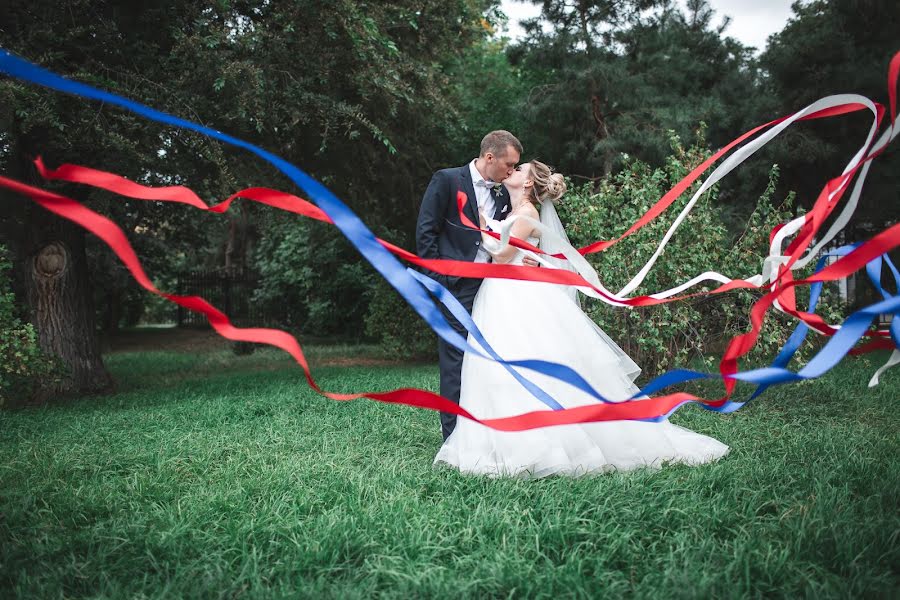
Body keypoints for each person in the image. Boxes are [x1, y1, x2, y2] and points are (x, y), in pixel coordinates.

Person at [433, 160, 729, 477]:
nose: (512, 172)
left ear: (529, 183)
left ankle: (540, 442)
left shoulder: (526, 214)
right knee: (500, 367)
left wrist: (476, 220)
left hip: (513, 296)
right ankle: (502, 438)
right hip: (502, 294)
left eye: (519, 170)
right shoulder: (514, 210)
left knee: (519, 360)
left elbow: (502, 255)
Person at [416, 130, 530, 441]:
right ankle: (453, 437)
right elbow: (426, 234)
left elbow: (515, 238)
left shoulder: (505, 194)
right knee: (455, 358)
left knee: (491, 360)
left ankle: (490, 430)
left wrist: (528, 258)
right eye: (508, 164)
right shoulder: (447, 180)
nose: (511, 171)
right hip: (456, 285)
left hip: (495, 288)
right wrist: (440, 284)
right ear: (489, 157)